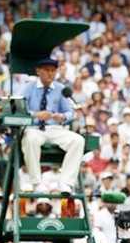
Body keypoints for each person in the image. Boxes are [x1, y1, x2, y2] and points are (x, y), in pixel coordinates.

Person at [20, 58, 84, 194]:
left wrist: (62, 117)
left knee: (78, 140)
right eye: (46, 70)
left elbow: (70, 113)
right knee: (30, 139)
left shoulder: (61, 89)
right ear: (38, 71)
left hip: (55, 128)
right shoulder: (29, 87)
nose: (50, 74)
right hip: (34, 128)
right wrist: (36, 114)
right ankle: (36, 183)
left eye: (53, 71)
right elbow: (18, 108)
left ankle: (66, 183)